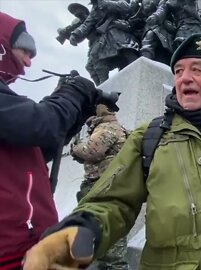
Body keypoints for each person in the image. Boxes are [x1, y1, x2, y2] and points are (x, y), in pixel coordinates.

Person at [23, 33, 201, 270]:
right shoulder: (149, 137)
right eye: (178, 71)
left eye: (196, 69)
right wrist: (83, 229)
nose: (184, 78)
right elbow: (113, 203)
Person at [0, 11, 98, 269]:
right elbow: (39, 125)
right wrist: (72, 93)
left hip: (30, 249)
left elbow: (36, 149)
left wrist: (77, 110)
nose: (28, 63)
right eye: (25, 52)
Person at [70, 104, 129, 270]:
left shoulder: (106, 127)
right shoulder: (111, 127)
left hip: (104, 185)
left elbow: (92, 151)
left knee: (111, 241)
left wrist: (75, 148)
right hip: (105, 185)